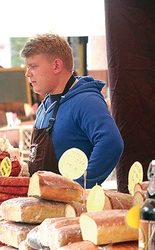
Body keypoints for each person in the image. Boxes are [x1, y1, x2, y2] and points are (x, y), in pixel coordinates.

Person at [20, 33, 123, 188]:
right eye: (27, 67)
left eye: (33, 66)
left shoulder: (86, 101)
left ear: (56, 66)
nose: (28, 73)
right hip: (44, 205)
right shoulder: (45, 104)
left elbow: (111, 143)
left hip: (73, 209)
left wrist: (81, 186)